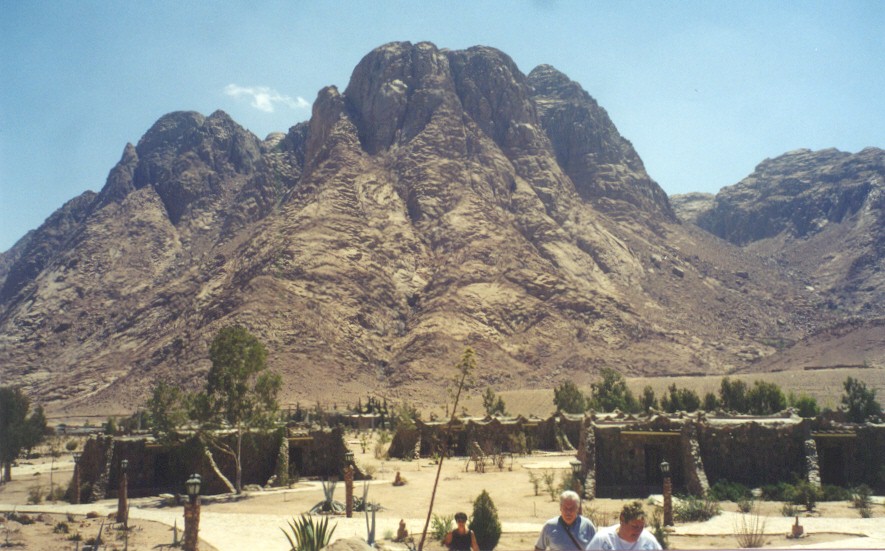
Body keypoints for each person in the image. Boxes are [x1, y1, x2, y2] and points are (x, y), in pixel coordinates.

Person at [587, 501, 662, 550]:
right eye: (634, 526)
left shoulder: (649, 541)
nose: (638, 531)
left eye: (641, 527)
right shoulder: (602, 539)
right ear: (622, 520)